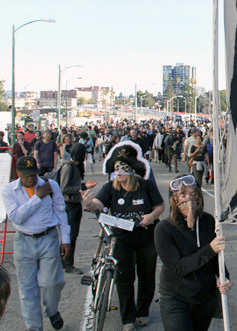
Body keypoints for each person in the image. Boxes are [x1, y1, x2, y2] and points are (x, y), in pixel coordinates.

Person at [82, 141, 165, 331]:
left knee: (146, 275)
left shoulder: (145, 186)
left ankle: (142, 312)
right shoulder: (110, 187)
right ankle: (128, 318)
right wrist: (89, 204)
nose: (118, 173)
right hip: (121, 238)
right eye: (116, 168)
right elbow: (98, 204)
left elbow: (160, 206)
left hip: (146, 237)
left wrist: (152, 216)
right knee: (124, 278)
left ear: (131, 170)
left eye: (122, 169)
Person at [2, 156, 70, 331]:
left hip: (48, 238)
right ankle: (34, 327)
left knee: (52, 282)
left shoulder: (51, 186)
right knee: (27, 289)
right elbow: (16, 217)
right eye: (26, 176)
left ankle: (52, 310)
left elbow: (61, 213)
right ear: (18, 174)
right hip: (23, 240)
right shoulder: (9, 190)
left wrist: (66, 240)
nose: (31, 179)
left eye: (33, 175)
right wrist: (37, 198)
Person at [155, 175, 231, 331]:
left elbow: (216, 259)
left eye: (193, 194)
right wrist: (209, 249)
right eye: (183, 195)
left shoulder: (208, 221)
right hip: (176, 298)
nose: (189, 199)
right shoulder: (164, 229)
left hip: (204, 298)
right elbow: (178, 267)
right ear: (174, 199)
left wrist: (223, 278)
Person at [59, 143, 97, 274]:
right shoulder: (68, 167)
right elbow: (64, 188)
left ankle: (63, 261)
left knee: (72, 235)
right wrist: (81, 188)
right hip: (69, 205)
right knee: (70, 235)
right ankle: (66, 263)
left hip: (74, 203)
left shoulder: (74, 166)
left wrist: (84, 186)